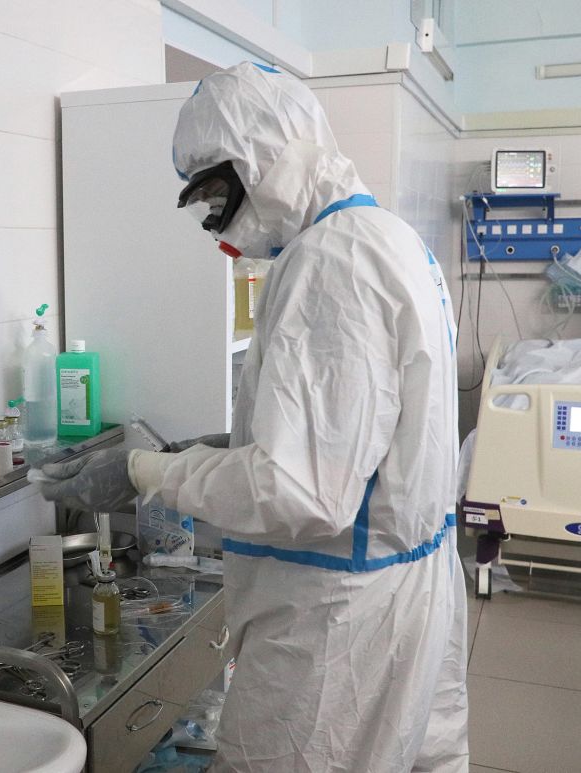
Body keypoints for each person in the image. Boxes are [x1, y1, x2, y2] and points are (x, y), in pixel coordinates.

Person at [38, 62, 468, 772]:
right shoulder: (386, 239)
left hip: (332, 622)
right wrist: (211, 447)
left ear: (263, 159)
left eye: (215, 192)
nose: (215, 223)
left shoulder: (329, 263)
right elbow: (360, 440)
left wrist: (147, 470)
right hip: (403, 590)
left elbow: (304, 490)